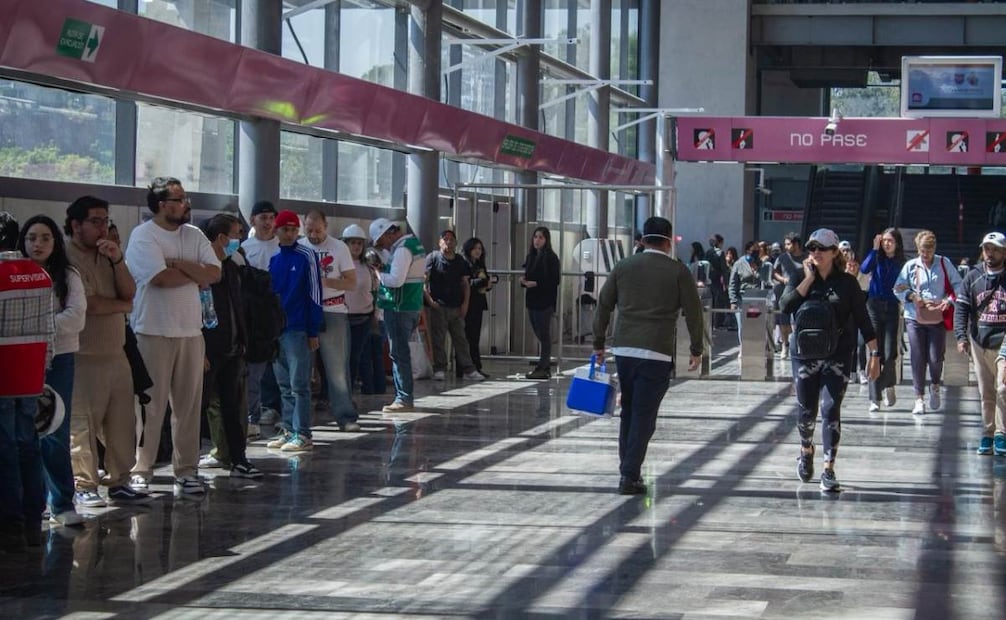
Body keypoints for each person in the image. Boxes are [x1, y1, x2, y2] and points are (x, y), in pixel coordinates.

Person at [592, 216, 704, 495]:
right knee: (644, 415)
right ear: (668, 242)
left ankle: (627, 470)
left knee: (629, 410)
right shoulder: (678, 271)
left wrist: (598, 343)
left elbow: (603, 304)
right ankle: (629, 475)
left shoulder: (623, 266)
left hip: (624, 350)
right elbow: (693, 312)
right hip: (657, 352)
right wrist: (696, 349)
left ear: (642, 240)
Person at [126, 176, 221, 496]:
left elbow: (214, 273)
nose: (185, 204)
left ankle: (187, 470)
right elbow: (160, 278)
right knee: (149, 408)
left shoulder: (194, 235)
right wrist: (194, 272)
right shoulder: (143, 236)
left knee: (188, 407)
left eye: (185, 198)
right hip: (152, 331)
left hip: (191, 333)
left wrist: (179, 263)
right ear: (161, 205)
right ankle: (142, 469)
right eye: (179, 200)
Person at [65, 196, 150, 507]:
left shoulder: (108, 254)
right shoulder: (67, 258)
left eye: (106, 221)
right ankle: (84, 484)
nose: (103, 228)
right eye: (95, 221)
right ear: (76, 225)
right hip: (83, 356)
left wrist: (117, 260)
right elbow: (90, 305)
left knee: (122, 424)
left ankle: (119, 480)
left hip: (116, 353)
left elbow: (130, 293)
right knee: (83, 426)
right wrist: (122, 306)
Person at [780, 229, 880, 492]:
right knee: (806, 411)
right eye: (812, 248)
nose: (816, 253)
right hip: (804, 355)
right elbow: (785, 305)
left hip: (837, 354)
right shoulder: (800, 276)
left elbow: (863, 319)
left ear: (835, 252)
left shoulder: (847, 283)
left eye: (822, 248)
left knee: (830, 408)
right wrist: (808, 279)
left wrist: (874, 354)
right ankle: (806, 449)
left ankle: (828, 468)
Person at [18, 215, 87, 527]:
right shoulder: (13, 273)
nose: (38, 244)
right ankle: (30, 504)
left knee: (55, 431)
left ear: (56, 241)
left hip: (59, 358)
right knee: (23, 433)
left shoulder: (68, 275)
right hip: (21, 359)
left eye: (45, 238)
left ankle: (61, 502)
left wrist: (34, 325)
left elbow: (76, 318)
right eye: (32, 238)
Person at [0, 211, 54, 552]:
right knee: (29, 445)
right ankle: (35, 518)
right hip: (31, 373)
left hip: (4, 374)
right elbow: (50, 330)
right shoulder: (39, 274)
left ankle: (11, 524)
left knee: (4, 449)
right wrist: (43, 370)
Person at [198, 214, 262, 477]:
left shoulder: (233, 267)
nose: (240, 239)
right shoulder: (203, 270)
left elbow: (239, 307)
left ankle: (238, 458)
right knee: (199, 406)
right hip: (209, 350)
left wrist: (243, 342)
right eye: (236, 234)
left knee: (233, 408)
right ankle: (188, 464)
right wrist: (200, 349)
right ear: (222, 238)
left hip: (233, 349)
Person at [265, 211, 323, 452]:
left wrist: (313, 330)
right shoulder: (275, 259)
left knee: (299, 385)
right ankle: (289, 430)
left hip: (298, 328)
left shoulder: (307, 256)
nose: (289, 234)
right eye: (284, 229)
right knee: (284, 385)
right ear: (276, 231)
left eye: (292, 230)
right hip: (278, 330)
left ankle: (303, 433)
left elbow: (315, 293)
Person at [299, 210, 361, 432]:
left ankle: (345, 415)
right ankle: (298, 420)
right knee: (301, 368)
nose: (313, 235)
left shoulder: (339, 247)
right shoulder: (299, 247)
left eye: (318, 230)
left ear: (326, 226)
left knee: (337, 369)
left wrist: (326, 282)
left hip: (333, 309)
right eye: (309, 230)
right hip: (305, 311)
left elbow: (351, 282)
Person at [894, 230, 962, 415]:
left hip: (937, 316)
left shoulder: (944, 263)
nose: (925, 254)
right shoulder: (910, 266)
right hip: (914, 316)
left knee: (935, 357)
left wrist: (949, 300)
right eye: (922, 251)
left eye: (929, 251)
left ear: (934, 248)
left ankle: (935, 384)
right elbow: (898, 288)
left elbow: (959, 285)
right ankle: (919, 398)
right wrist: (911, 296)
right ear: (918, 249)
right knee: (917, 356)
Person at [956, 232, 1006, 457]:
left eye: (995, 249)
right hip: (980, 340)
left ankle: (1001, 434)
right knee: (986, 391)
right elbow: (962, 308)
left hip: (1003, 340)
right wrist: (961, 337)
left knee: (1003, 388)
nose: (990, 253)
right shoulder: (973, 276)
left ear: (1004, 252)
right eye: (987, 249)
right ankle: (988, 432)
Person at [370, 218, 426, 413]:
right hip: (411, 306)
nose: (383, 246)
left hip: (399, 307)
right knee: (401, 353)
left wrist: (378, 272)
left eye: (381, 242)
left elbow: (396, 280)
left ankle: (403, 398)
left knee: (399, 354)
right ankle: (404, 396)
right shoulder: (415, 244)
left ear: (388, 234)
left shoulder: (402, 249)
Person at [241, 200, 281, 439]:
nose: (267, 222)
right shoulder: (244, 248)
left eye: (271, 218)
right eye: (262, 218)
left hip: (277, 310)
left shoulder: (281, 246)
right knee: (255, 367)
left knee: (278, 365)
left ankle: (276, 407)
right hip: (254, 314)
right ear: (253, 220)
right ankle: (254, 413)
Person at [424, 230, 484, 382]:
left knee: (461, 339)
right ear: (440, 242)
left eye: (451, 239)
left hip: (456, 307)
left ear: (456, 242)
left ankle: (469, 369)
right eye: (445, 239)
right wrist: (430, 301)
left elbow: (465, 284)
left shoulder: (460, 261)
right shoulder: (433, 258)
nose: (448, 242)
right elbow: (424, 281)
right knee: (438, 340)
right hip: (439, 306)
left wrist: (465, 304)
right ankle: (439, 368)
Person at [860, 227, 906, 413]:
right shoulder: (877, 258)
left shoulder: (902, 262)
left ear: (897, 243)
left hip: (892, 307)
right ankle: (874, 397)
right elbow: (864, 268)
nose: (887, 244)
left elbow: (909, 282)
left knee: (889, 353)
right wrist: (874, 249)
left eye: (890, 241)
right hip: (874, 307)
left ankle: (889, 384)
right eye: (884, 240)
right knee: (875, 352)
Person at [342, 224, 385, 395]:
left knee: (356, 357)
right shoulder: (338, 264)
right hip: (342, 317)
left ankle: (350, 391)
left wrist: (375, 314)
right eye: (352, 243)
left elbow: (376, 290)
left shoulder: (368, 267)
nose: (356, 246)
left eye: (359, 243)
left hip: (363, 318)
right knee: (343, 358)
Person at [520, 226, 561, 380]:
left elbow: (554, 280)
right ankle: (543, 365)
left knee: (544, 334)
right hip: (532, 300)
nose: (537, 240)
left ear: (546, 240)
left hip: (545, 301)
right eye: (535, 237)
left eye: (541, 237)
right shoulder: (531, 256)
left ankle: (543, 367)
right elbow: (528, 275)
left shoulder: (551, 258)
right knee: (538, 331)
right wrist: (523, 281)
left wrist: (536, 283)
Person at [461, 237, 496, 378]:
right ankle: (466, 367)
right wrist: (482, 282)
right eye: (475, 248)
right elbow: (466, 283)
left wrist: (488, 284)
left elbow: (484, 282)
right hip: (467, 303)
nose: (478, 251)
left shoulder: (480, 265)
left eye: (480, 249)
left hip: (478, 303)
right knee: (467, 336)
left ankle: (476, 366)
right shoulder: (464, 264)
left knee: (475, 337)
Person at [773, 233, 805, 359]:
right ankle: (784, 345)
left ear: (796, 244)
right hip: (784, 293)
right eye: (785, 244)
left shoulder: (806, 258)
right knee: (783, 321)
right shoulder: (782, 258)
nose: (786, 246)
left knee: (799, 320)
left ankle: (798, 345)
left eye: (788, 244)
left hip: (801, 294)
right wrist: (783, 279)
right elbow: (775, 272)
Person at [728, 240, 763, 340]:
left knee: (753, 324)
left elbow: (763, 279)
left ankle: (752, 345)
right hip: (741, 299)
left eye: (758, 250)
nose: (756, 252)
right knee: (743, 325)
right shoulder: (739, 264)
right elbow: (732, 283)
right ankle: (743, 346)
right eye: (754, 250)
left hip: (755, 299)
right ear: (748, 250)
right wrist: (733, 301)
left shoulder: (759, 263)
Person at [705, 234, 728, 328]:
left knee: (710, 301)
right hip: (718, 280)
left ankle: (710, 322)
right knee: (718, 302)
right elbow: (724, 269)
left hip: (709, 280)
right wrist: (726, 282)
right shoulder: (720, 253)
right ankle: (717, 323)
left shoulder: (708, 252)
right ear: (720, 242)